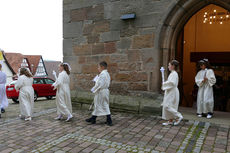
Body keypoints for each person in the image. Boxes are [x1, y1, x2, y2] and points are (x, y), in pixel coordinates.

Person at [86, 61, 112, 126]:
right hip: (103, 91)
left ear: (102, 67)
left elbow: (100, 84)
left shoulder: (103, 74)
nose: (98, 68)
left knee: (104, 105)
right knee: (98, 105)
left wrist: (93, 89)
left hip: (101, 91)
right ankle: (93, 118)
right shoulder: (107, 73)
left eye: (98, 67)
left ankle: (109, 120)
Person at [161, 60, 183, 126]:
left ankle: (179, 116)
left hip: (172, 91)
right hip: (170, 91)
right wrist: (165, 84)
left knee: (167, 106)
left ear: (173, 66)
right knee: (170, 105)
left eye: (169, 65)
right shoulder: (172, 73)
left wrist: (164, 84)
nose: (168, 67)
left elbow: (172, 83)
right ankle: (170, 120)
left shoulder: (174, 74)